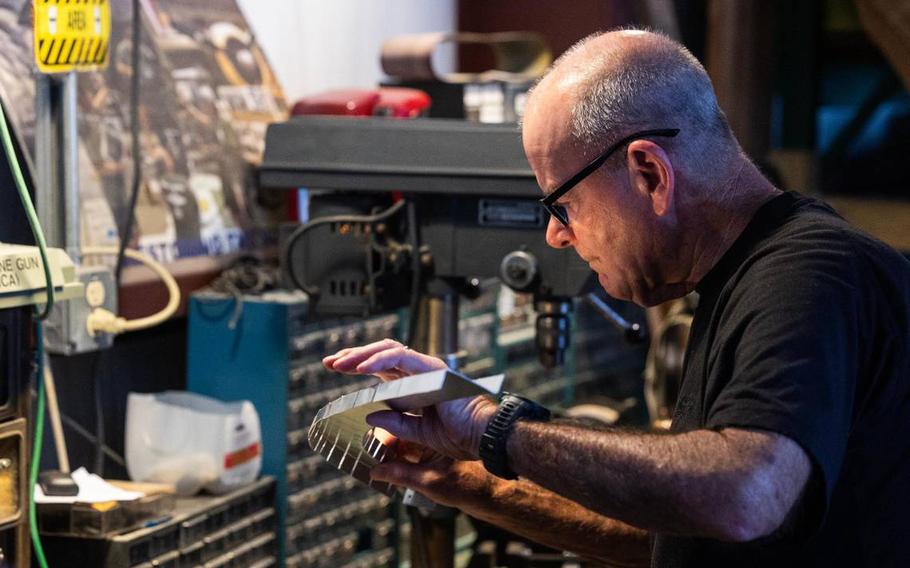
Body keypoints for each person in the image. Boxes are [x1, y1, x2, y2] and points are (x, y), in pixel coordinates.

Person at [323, 29, 910, 567]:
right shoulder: (744, 281)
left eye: (561, 205)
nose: (556, 234)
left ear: (649, 173)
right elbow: (678, 535)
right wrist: (460, 480)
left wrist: (488, 424)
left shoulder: (809, 273)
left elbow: (742, 497)